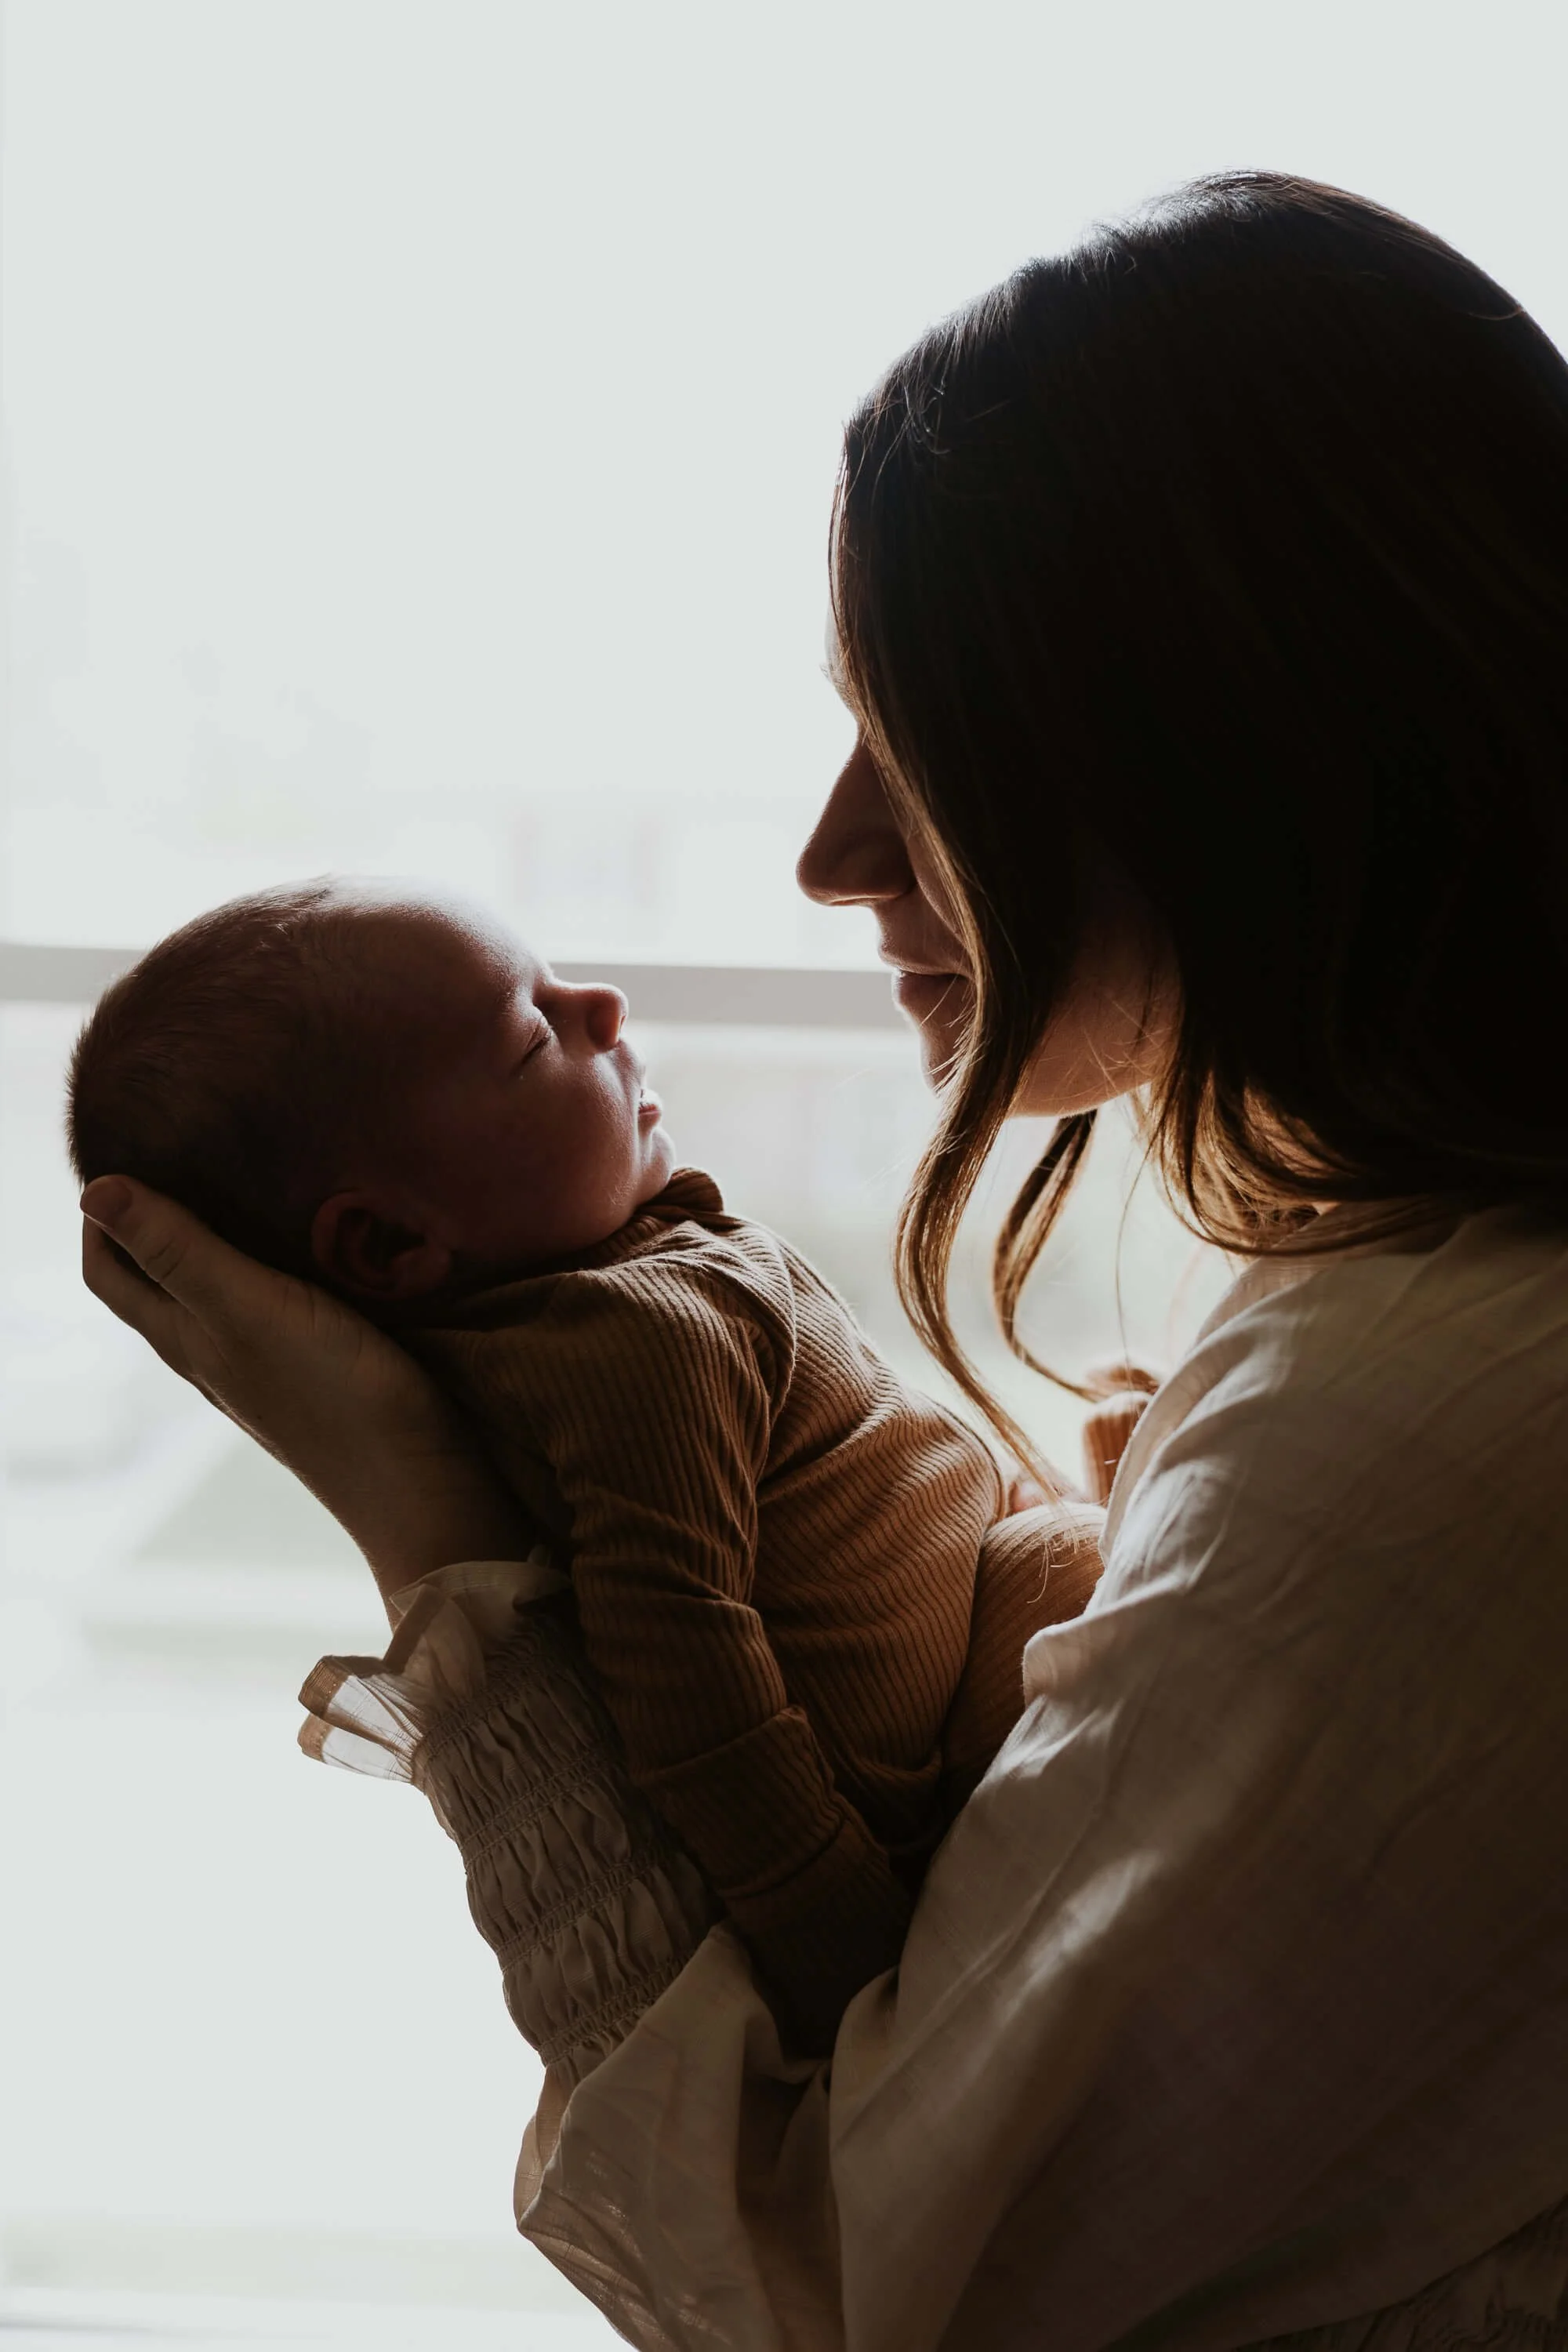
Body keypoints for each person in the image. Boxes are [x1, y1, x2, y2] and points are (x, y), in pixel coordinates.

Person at [79, 169, 1568, 2348]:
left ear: (1225, 750)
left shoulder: (1422, 1420)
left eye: (920, 734)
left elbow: (838, 2290)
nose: (827, 849)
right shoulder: (1421, 1307)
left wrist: (438, 1549)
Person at [67, 884, 1101, 2057]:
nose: (605, 1006)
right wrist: (843, 1944)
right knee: (1080, 1551)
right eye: (529, 1037)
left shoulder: (608, 1289)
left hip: (950, 1656)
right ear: (391, 1243)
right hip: (922, 1783)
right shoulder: (634, 1345)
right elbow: (691, 1681)